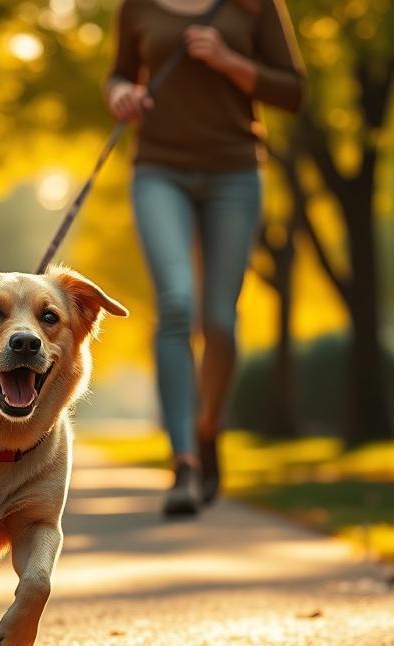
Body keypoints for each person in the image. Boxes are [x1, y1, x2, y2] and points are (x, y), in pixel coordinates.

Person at [105, 0, 305, 516]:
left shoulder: (254, 4)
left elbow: (293, 91)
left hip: (234, 171)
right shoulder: (137, 6)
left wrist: (228, 61)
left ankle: (208, 425)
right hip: (158, 170)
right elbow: (118, 75)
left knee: (218, 319)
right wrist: (121, 93)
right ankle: (184, 463)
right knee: (175, 304)